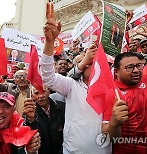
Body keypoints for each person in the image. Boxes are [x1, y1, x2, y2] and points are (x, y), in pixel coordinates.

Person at [39, 2, 111, 154]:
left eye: (96, 60)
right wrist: (50, 42)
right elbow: (47, 77)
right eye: (87, 61)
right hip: (72, 151)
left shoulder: (110, 88)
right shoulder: (71, 86)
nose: (93, 64)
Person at [102, 26, 147, 154]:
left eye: (139, 66)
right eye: (129, 67)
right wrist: (115, 121)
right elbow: (109, 136)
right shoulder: (112, 93)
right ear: (117, 72)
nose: (136, 70)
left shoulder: (145, 81)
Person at [23, 86, 65, 154]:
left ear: (49, 92)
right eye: (37, 93)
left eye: (43, 91)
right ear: (33, 96)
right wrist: (31, 120)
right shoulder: (29, 112)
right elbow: (30, 136)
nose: (41, 96)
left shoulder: (61, 107)